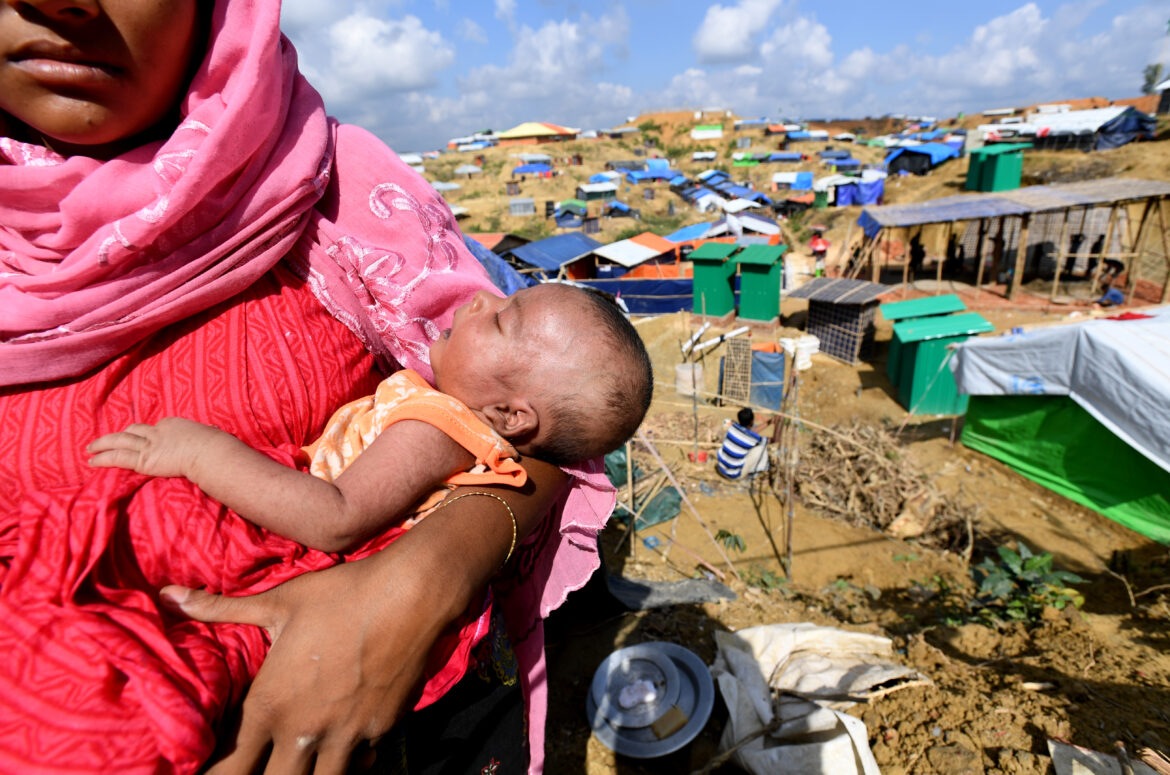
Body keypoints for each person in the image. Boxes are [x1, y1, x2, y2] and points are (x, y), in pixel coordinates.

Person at [0, 1, 622, 773]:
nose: (58, 0)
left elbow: (561, 434)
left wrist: (427, 574)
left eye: (500, 315)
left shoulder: (335, 192)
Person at [87, 284, 653, 554]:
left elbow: (335, 517)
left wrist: (200, 452)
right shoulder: (448, 419)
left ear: (509, 414)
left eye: (503, 321)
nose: (482, 299)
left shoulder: (440, 430)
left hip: (280, 549)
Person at [716, 408, 772, 479]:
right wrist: (776, 424)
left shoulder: (732, 426)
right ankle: (753, 475)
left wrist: (769, 422)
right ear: (751, 421)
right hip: (733, 476)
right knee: (761, 448)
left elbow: (726, 422)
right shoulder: (753, 438)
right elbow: (773, 440)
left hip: (720, 469)